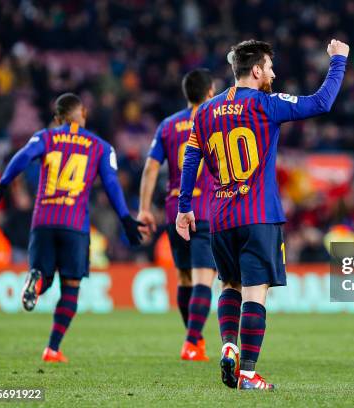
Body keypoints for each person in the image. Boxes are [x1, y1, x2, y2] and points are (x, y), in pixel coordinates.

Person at [176, 39, 348, 390]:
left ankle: (228, 347)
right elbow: (322, 102)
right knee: (256, 293)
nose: (273, 73)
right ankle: (249, 374)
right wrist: (338, 61)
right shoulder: (267, 104)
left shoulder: (206, 111)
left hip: (220, 218)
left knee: (229, 285)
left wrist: (184, 208)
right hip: (258, 216)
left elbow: (190, 158)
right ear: (255, 70)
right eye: (269, 67)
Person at [0, 93, 143, 362]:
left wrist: (2, 185)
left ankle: (36, 279)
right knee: (70, 286)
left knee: (43, 276)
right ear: (84, 114)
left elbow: (23, 156)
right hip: (75, 224)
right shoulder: (100, 146)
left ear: (57, 118)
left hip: (43, 220)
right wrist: (125, 217)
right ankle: (52, 349)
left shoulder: (46, 137)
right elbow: (112, 184)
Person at [138, 69, 217, 361]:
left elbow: (150, 169)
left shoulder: (168, 125)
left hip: (175, 211)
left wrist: (144, 208)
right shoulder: (216, 119)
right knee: (203, 279)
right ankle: (192, 341)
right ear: (210, 92)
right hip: (207, 208)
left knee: (184, 278)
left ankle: (193, 341)